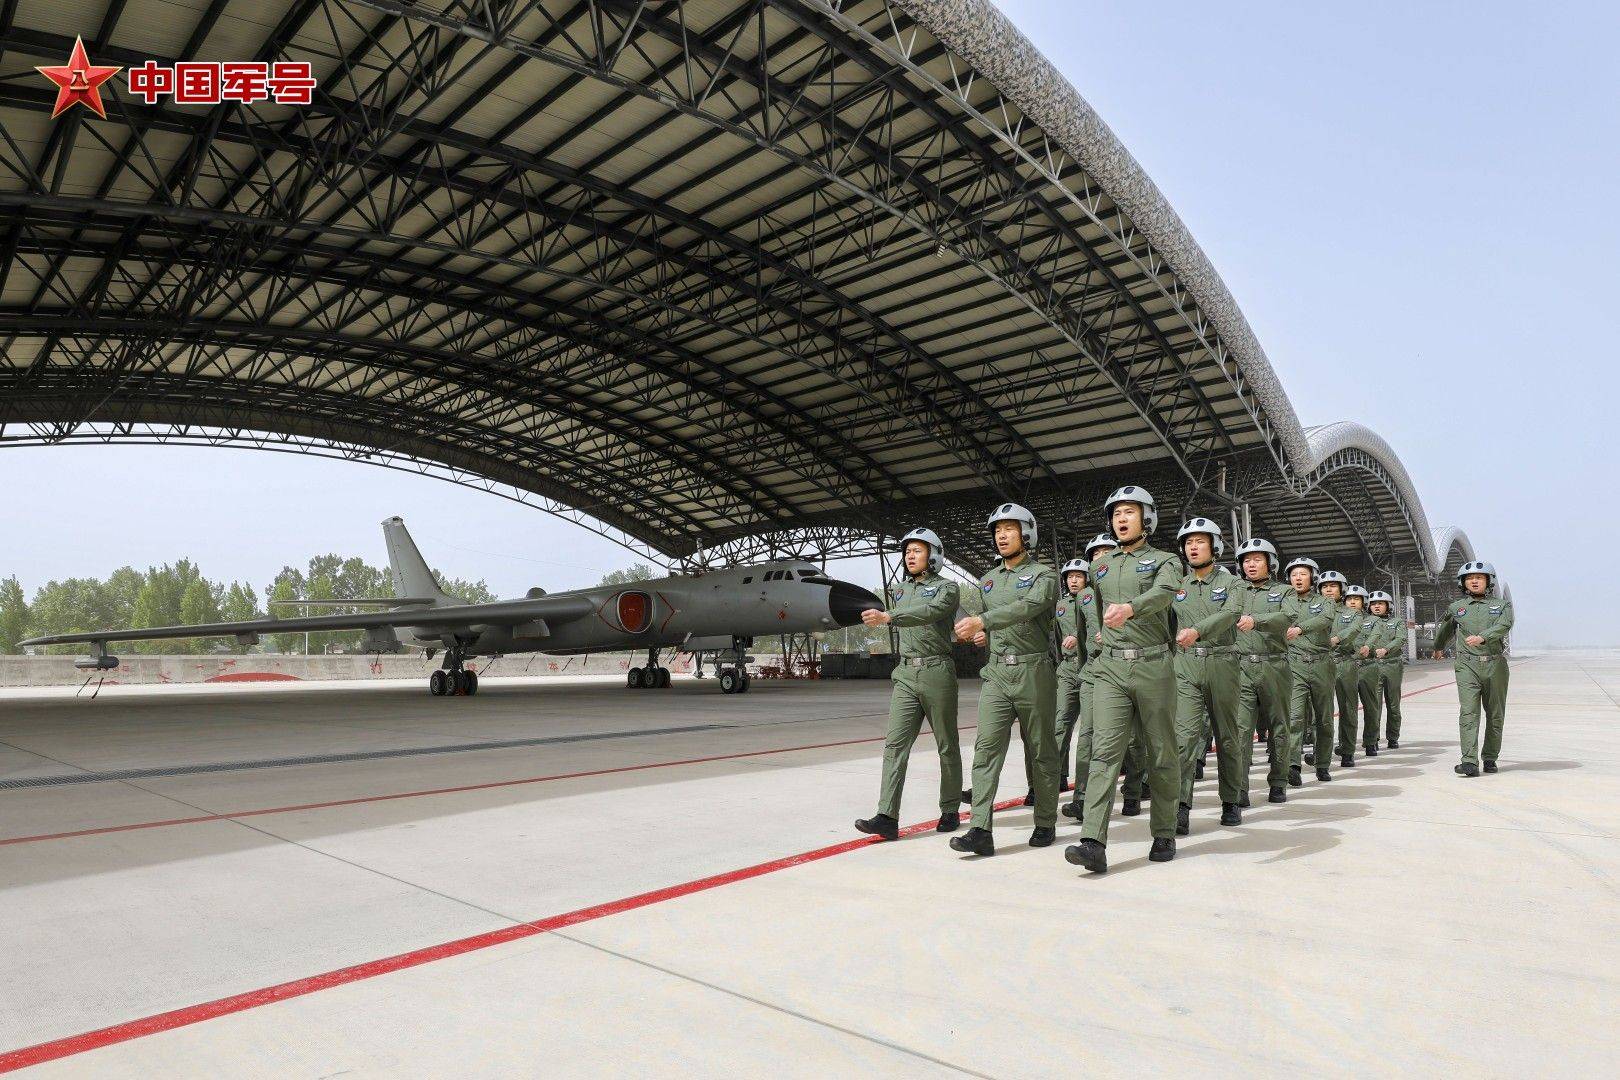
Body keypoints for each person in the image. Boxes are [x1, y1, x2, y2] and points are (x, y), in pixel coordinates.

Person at [1064, 486, 1183, 873]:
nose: (1121, 519)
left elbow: (1166, 594)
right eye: (1116, 513)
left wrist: (1131, 608)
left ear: (1146, 518)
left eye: (1129, 512)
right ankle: (1092, 841)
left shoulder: (1166, 561)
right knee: (1104, 753)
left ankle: (1164, 830)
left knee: (1161, 751)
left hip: (1153, 665)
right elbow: (1094, 614)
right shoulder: (1100, 566)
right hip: (1111, 669)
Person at [950, 504, 1060, 856]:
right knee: (985, 750)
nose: (1002, 535)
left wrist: (984, 623)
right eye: (997, 530)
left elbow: (1029, 607)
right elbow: (995, 623)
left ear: (1026, 533)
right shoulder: (988, 580)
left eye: (1010, 529)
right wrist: (986, 636)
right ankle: (980, 829)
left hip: (1034, 672)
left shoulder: (1045, 576)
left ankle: (1045, 820)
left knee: (1041, 750)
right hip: (997, 673)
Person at [855, 528, 963, 840]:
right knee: (894, 745)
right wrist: (890, 615)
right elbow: (905, 612)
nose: (910, 556)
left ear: (934, 555)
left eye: (917, 550)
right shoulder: (900, 590)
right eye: (907, 551)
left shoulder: (948, 588)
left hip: (937, 671)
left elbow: (931, 612)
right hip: (905, 674)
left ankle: (950, 808)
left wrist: (889, 617)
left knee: (946, 743)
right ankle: (887, 816)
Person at [1170, 518, 1245, 827]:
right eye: (1189, 542)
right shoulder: (1177, 586)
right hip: (1185, 666)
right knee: (1184, 738)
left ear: (1215, 547)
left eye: (1200, 541)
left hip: (1222, 664)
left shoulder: (1231, 583)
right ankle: (1180, 807)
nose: (1194, 547)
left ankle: (1230, 800)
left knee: (1227, 737)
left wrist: (1198, 631)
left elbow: (1231, 613)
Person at [1432, 560, 1514, 777]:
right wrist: (1438, 647)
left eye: (1479, 577)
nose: (1474, 581)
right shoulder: (1456, 608)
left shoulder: (1502, 606)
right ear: (1463, 583)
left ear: (1488, 581)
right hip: (1466, 665)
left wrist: (1483, 637)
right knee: (1468, 712)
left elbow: (1505, 625)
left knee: (1495, 714)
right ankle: (1469, 761)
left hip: (1495, 665)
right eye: (1469, 578)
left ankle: (1490, 758)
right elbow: (1445, 629)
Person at [1231, 538, 1293, 804]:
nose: (1251, 564)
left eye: (1257, 559)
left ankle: (1279, 781)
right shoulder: (1235, 591)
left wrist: (1257, 621)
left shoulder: (1285, 592)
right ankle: (1240, 788)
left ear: (1270, 562)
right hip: (1241, 666)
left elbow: (1287, 617)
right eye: (1246, 560)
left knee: (1279, 726)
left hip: (1274, 666)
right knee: (1242, 730)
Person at [1062, 533, 1116, 820]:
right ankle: (1082, 797)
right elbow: (1081, 635)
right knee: (1088, 735)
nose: (1101, 557)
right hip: (1094, 669)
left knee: (1136, 736)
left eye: (1107, 551)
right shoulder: (1084, 596)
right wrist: (1085, 668)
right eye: (1096, 554)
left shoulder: (1127, 587)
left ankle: (1136, 788)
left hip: (1127, 667)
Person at [1281, 557, 1335, 784]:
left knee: (1323, 718)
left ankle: (1322, 763)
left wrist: (1300, 628)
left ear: (1313, 577)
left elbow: (1325, 619)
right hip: (1294, 664)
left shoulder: (1325, 602)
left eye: (1303, 574)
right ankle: (1293, 765)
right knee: (1293, 718)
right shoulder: (1284, 602)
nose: (1298, 578)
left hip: (1322, 664)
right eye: (1294, 575)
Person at [1321, 572, 1366, 769]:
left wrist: (1337, 639)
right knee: (1320, 711)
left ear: (1342, 589)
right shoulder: (1311, 611)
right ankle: (1320, 752)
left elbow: (1354, 630)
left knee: (1347, 708)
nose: (1329, 589)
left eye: (1333, 586)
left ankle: (1347, 751)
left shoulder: (1352, 613)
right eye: (1324, 586)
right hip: (1320, 663)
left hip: (1345, 663)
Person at [1054, 558, 1090, 794]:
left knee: (1090, 730)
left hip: (1091, 668)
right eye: (1070, 577)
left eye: (1078, 576)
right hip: (1067, 669)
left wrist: (1079, 637)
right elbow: (1057, 638)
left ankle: (1086, 789)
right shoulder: (1060, 606)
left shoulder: (1095, 601)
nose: (1073, 580)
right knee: (1060, 724)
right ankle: (1057, 776)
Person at [1368, 590, 1407, 749]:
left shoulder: (1396, 622)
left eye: (1380, 603)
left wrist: (1386, 649)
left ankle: (1393, 736)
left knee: (1393, 704)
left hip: (1392, 665)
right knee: (1373, 705)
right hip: (1372, 666)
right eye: (1373, 604)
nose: (1376, 606)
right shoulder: (1365, 622)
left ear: (1388, 606)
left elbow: (1400, 638)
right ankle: (1373, 738)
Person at [1354, 588, 1386, 757]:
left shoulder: (1373, 621)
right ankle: (1347, 744)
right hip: (1346, 666)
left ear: (1364, 602)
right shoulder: (1336, 619)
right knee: (1347, 709)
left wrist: (1367, 646)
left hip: (1367, 666)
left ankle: (1371, 741)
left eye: (1357, 599)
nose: (1352, 602)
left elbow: (1376, 635)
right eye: (1349, 598)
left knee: (1371, 706)